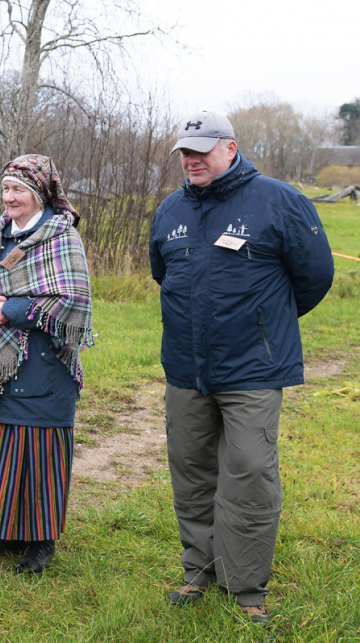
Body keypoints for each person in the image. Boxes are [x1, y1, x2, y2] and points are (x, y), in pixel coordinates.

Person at [150, 111, 334, 625]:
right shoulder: (170, 210)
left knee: (250, 471)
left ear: (230, 148)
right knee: (191, 471)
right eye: (185, 153)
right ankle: (199, 570)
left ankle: (246, 584)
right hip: (185, 368)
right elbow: (162, 273)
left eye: (202, 150)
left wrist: (263, 323)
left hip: (253, 367)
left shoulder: (279, 201)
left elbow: (315, 276)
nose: (192, 160)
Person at [0, 154, 93, 574]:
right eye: (6, 189)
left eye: (19, 190)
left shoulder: (61, 238)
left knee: (38, 454)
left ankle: (40, 540)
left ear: (40, 194)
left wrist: (6, 309)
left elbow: (72, 301)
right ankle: (5, 530)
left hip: (43, 368)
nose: (9, 198)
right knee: (1, 448)